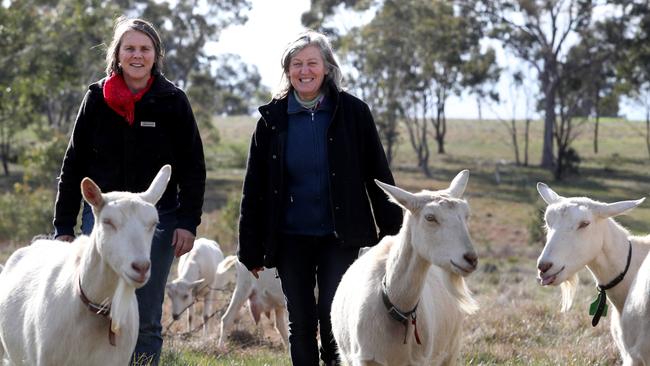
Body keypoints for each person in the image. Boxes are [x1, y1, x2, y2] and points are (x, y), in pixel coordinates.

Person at [237, 30, 403, 366]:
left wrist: (395, 235)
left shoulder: (354, 113)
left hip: (338, 236)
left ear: (327, 67)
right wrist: (249, 247)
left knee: (333, 314)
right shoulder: (272, 120)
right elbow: (253, 187)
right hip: (289, 238)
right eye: (296, 64)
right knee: (300, 321)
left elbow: (379, 176)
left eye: (312, 63)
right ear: (288, 71)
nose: (304, 70)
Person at [52, 16, 206, 365]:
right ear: (118, 54)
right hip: (104, 218)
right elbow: (73, 165)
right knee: (90, 310)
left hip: (156, 219)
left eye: (145, 49)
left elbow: (193, 167)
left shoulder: (173, 101)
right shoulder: (96, 98)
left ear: (156, 55)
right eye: (130, 48)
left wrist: (187, 221)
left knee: (146, 317)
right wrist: (63, 227)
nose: (138, 55)